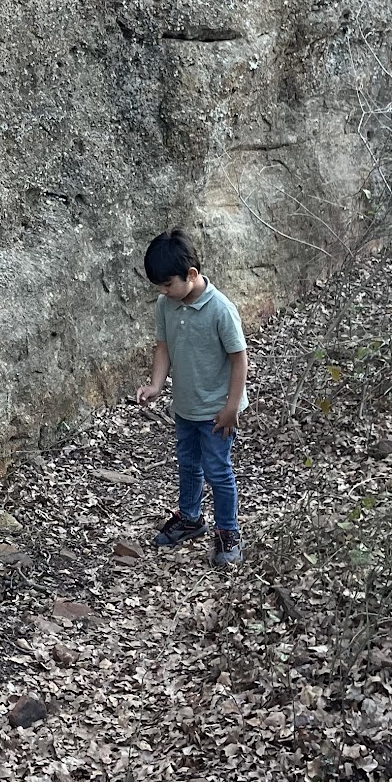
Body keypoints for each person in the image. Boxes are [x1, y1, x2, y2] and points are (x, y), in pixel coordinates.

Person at [135, 228, 248, 567]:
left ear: (192, 275)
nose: (163, 291)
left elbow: (239, 359)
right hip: (185, 406)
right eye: (159, 286)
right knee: (188, 464)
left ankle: (228, 532)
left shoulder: (221, 310)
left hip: (217, 411)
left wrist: (231, 408)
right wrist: (156, 385)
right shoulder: (165, 305)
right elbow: (163, 347)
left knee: (218, 470)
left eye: (168, 284)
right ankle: (190, 518)